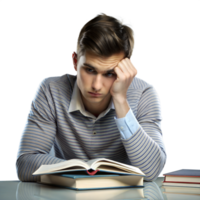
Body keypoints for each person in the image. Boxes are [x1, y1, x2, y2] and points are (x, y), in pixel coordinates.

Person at [16, 11, 167, 182]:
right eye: (89, 70)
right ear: (74, 61)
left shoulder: (143, 95)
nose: (96, 85)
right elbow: (26, 163)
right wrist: (83, 172)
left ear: (124, 70)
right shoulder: (51, 90)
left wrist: (120, 101)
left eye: (109, 73)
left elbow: (153, 170)